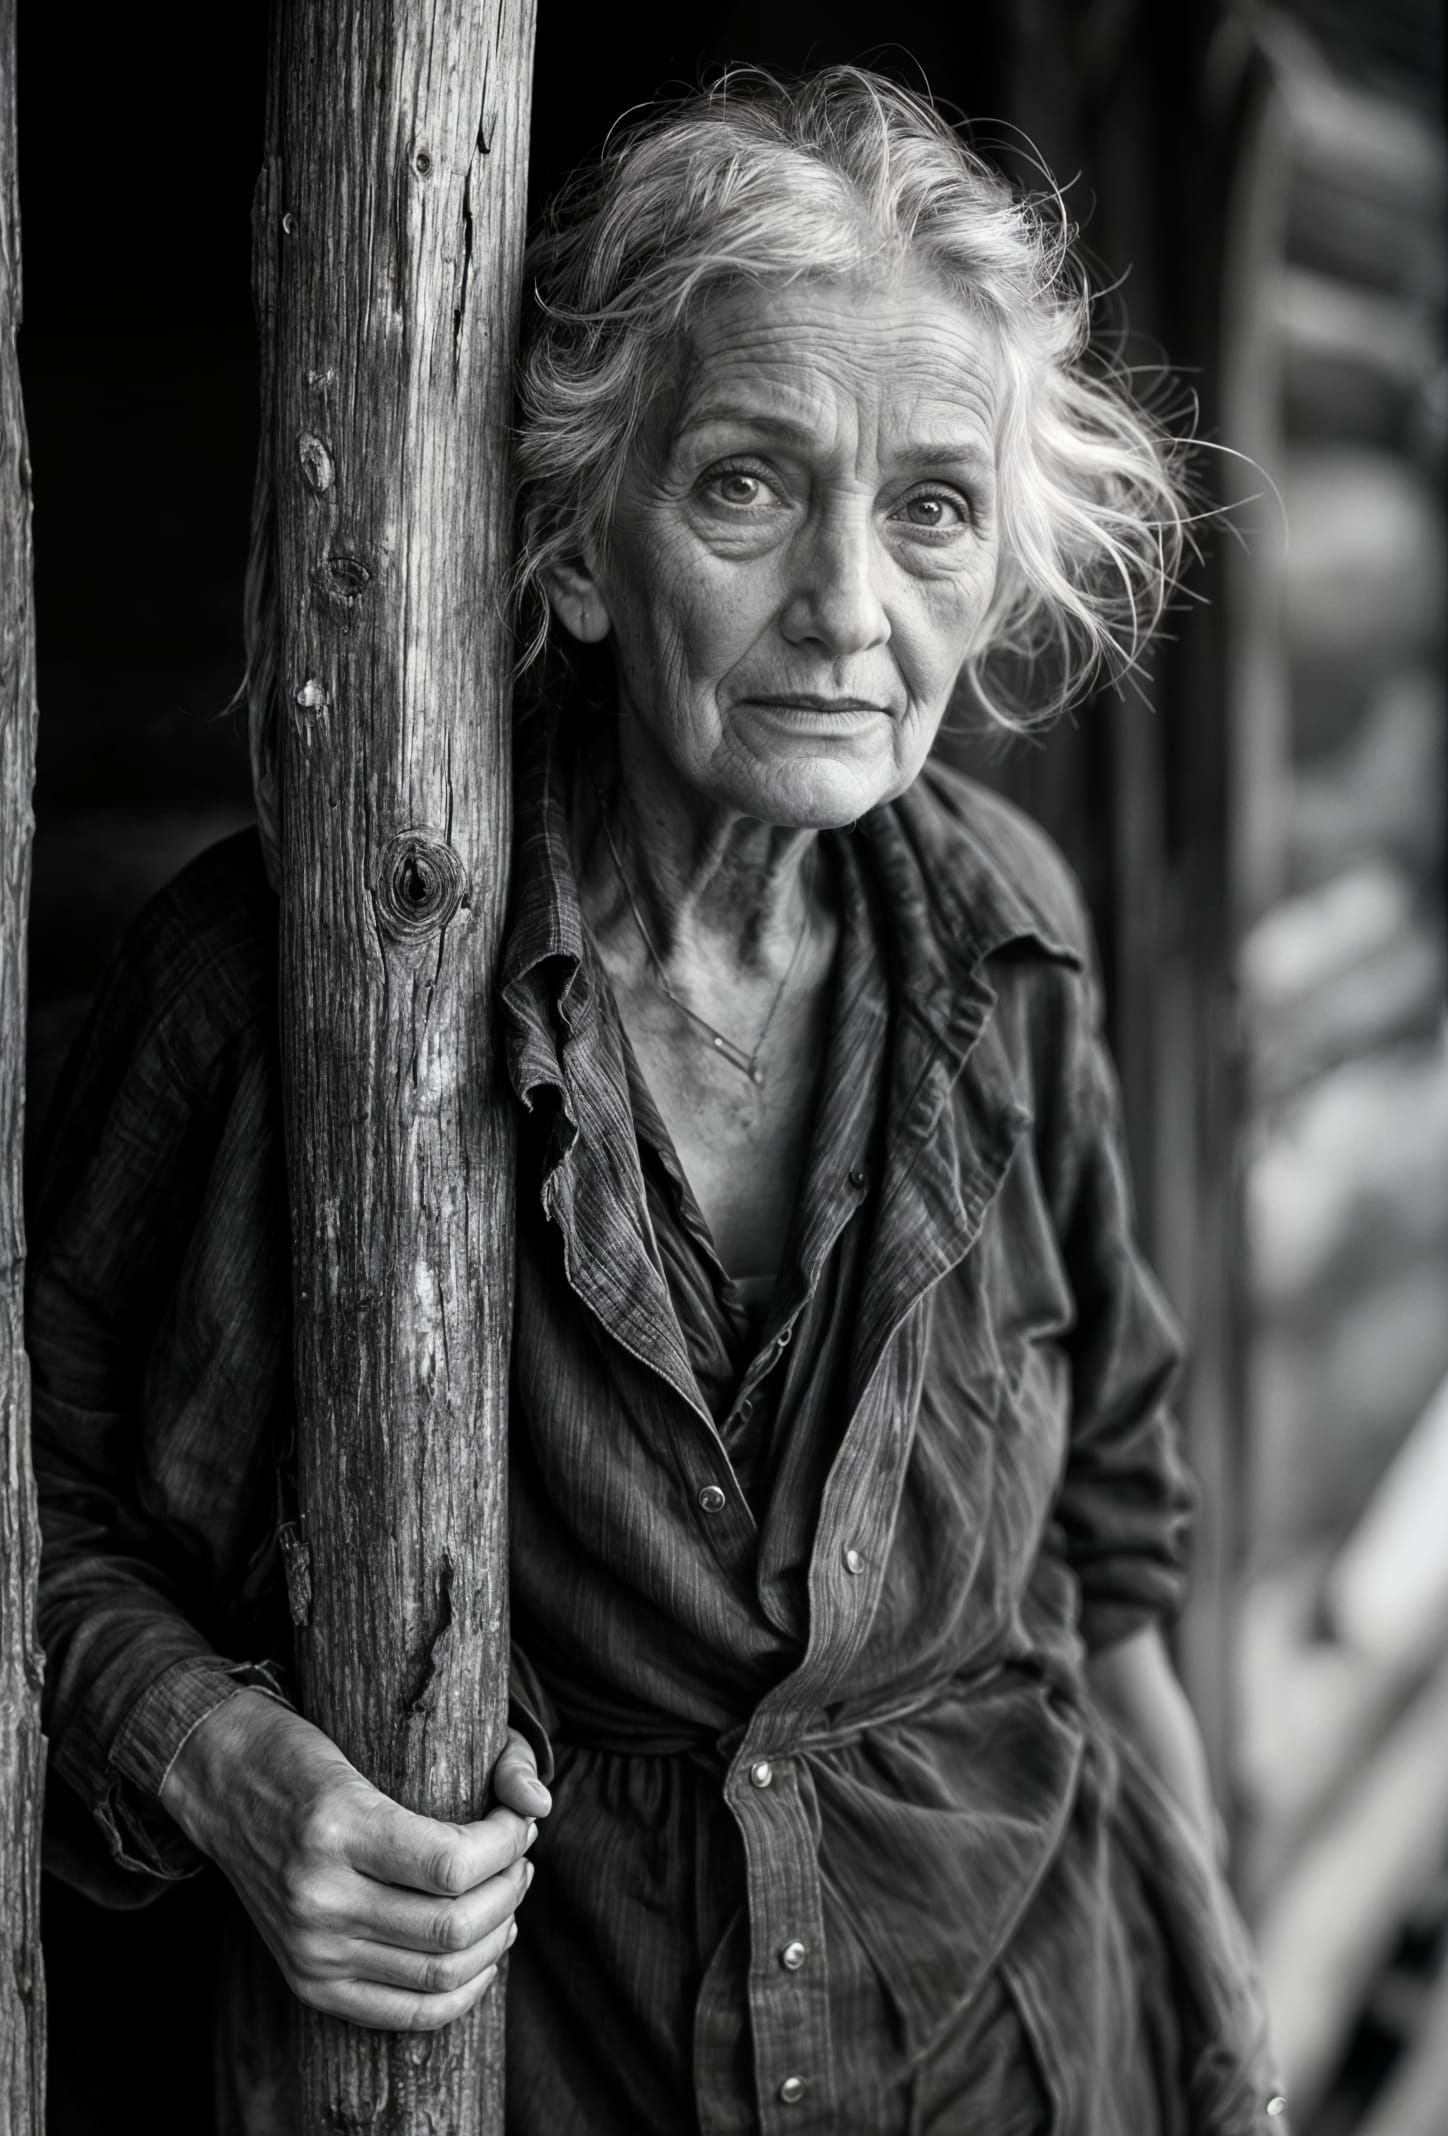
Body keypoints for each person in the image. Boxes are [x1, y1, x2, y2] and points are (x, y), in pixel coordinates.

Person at [30, 66, 1285, 2135]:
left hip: (1033, 2059)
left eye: (930, 509)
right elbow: (37, 1504)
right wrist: (215, 1764)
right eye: (744, 486)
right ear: (589, 548)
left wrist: (1221, 2026)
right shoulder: (287, 980)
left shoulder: (1012, 948)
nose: (847, 610)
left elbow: (1110, 1539)